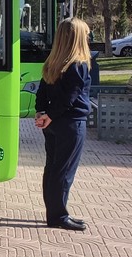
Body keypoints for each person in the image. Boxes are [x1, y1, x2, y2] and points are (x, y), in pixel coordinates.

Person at [33, 17, 93, 232]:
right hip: (71, 123)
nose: (88, 37)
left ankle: (54, 213)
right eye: (85, 34)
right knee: (64, 171)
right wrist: (48, 114)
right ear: (77, 37)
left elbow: (41, 91)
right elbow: (70, 97)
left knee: (53, 168)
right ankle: (59, 215)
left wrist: (42, 112)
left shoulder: (53, 62)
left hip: (54, 124)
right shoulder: (78, 65)